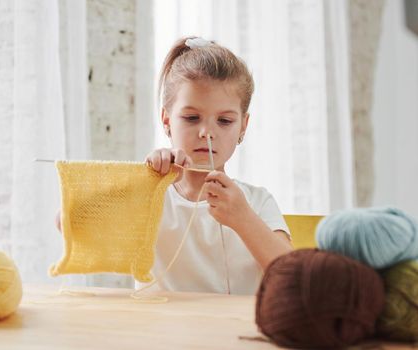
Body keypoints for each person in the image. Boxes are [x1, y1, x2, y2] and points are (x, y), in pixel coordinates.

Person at [56, 36, 292, 295]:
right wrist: (142, 182)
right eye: (192, 118)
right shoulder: (150, 199)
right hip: (158, 333)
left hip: (233, 333)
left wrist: (243, 218)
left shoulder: (257, 202)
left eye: (224, 121)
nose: (206, 133)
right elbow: (67, 222)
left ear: (242, 127)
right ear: (166, 121)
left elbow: (294, 278)